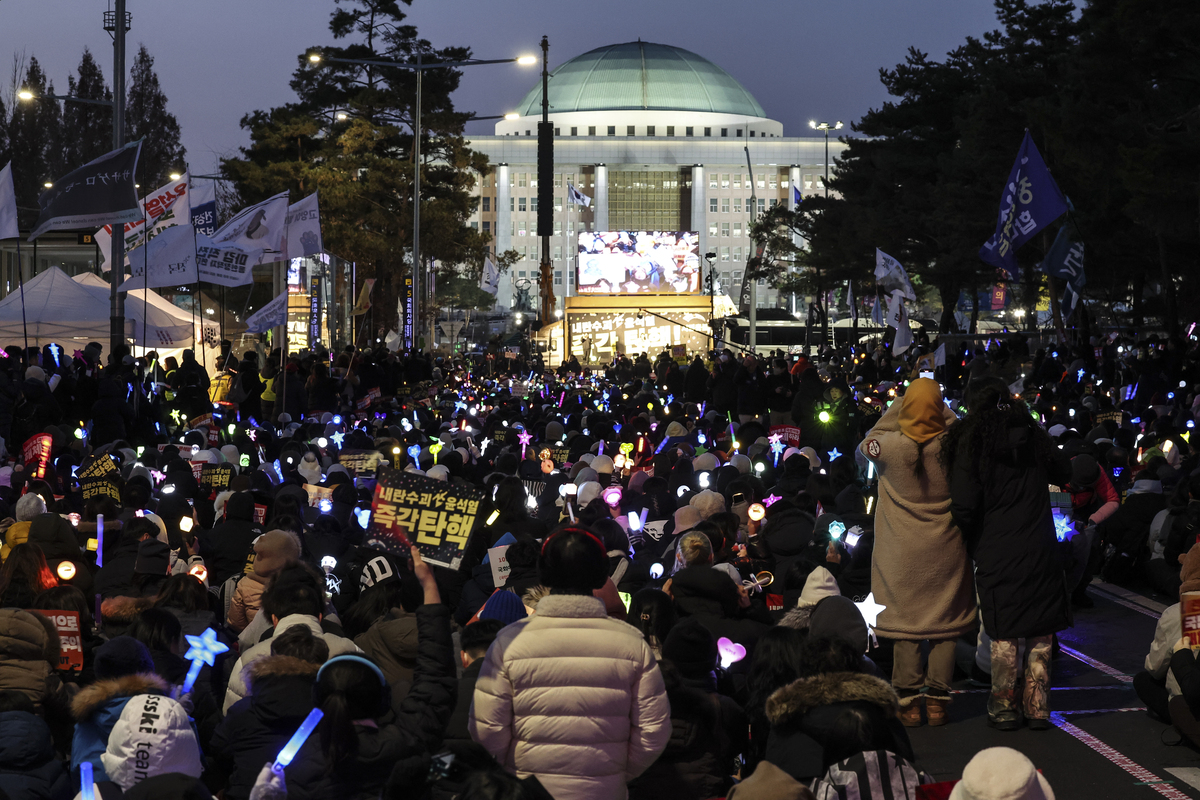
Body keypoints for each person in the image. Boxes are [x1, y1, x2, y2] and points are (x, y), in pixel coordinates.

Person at [470, 526, 672, 800]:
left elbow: (485, 729)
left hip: (527, 793)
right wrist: (613, 772)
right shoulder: (632, 644)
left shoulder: (508, 642)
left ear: (543, 573)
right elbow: (654, 731)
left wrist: (516, 773)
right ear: (602, 574)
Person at [946, 377, 1071, 731]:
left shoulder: (972, 442)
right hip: (1040, 542)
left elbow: (964, 504)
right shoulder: (1031, 435)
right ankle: (1037, 705)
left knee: (1003, 627)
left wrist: (971, 537)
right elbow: (1064, 470)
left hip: (996, 546)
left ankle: (1004, 705)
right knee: (1041, 626)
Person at [860, 378, 975, 727]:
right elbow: (959, 428)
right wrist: (942, 411)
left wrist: (898, 406)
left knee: (906, 628)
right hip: (945, 549)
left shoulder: (887, 447)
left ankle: (908, 703)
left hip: (900, 553)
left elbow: (867, 442)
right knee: (945, 625)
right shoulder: (954, 445)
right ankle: (938, 702)